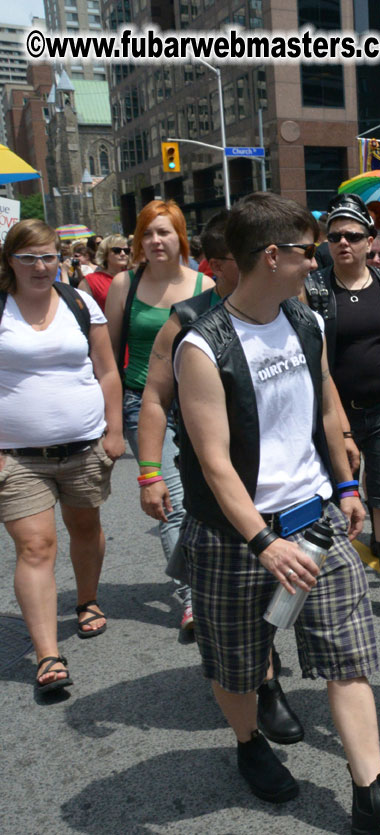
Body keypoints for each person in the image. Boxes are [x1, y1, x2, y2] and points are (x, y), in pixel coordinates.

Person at [172, 192, 380, 834]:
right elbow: (213, 464)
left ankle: (370, 794)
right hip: (237, 538)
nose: (317, 258)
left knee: (348, 657)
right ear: (272, 256)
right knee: (237, 664)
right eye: (306, 250)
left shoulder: (303, 321)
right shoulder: (201, 348)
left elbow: (326, 411)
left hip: (315, 520)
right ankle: (249, 744)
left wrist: (347, 490)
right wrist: (263, 542)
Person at [135, 212, 305, 744]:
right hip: (212, 476)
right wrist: (148, 473)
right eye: (236, 258)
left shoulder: (288, 311)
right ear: (219, 264)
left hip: (278, 481)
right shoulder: (188, 320)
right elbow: (155, 399)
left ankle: (267, 674)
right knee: (241, 596)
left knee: (277, 592)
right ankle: (261, 690)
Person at [0, 220, 123, 696]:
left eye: (48, 256)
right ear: (10, 260)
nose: (39, 266)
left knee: (85, 530)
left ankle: (87, 599)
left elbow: (106, 370)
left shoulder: (78, 302)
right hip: (18, 457)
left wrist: (114, 431)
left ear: (60, 258)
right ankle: (48, 654)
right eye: (28, 257)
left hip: (84, 445)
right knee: (35, 547)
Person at [303, 197, 380, 628]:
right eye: (334, 236)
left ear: (370, 241)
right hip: (332, 414)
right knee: (332, 499)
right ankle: (330, 585)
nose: (343, 243)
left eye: (352, 235)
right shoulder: (313, 289)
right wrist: (343, 431)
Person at [105, 199, 213, 634]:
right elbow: (109, 358)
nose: (155, 241)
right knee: (172, 503)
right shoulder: (123, 285)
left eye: (164, 232)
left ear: (180, 236)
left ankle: (205, 582)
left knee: (205, 501)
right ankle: (193, 600)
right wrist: (111, 423)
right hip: (141, 403)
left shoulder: (204, 283)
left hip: (198, 406)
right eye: (147, 233)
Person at [83, 234, 130, 309]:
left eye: (126, 251)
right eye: (117, 250)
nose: (123, 254)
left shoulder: (133, 276)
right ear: (105, 254)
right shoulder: (91, 281)